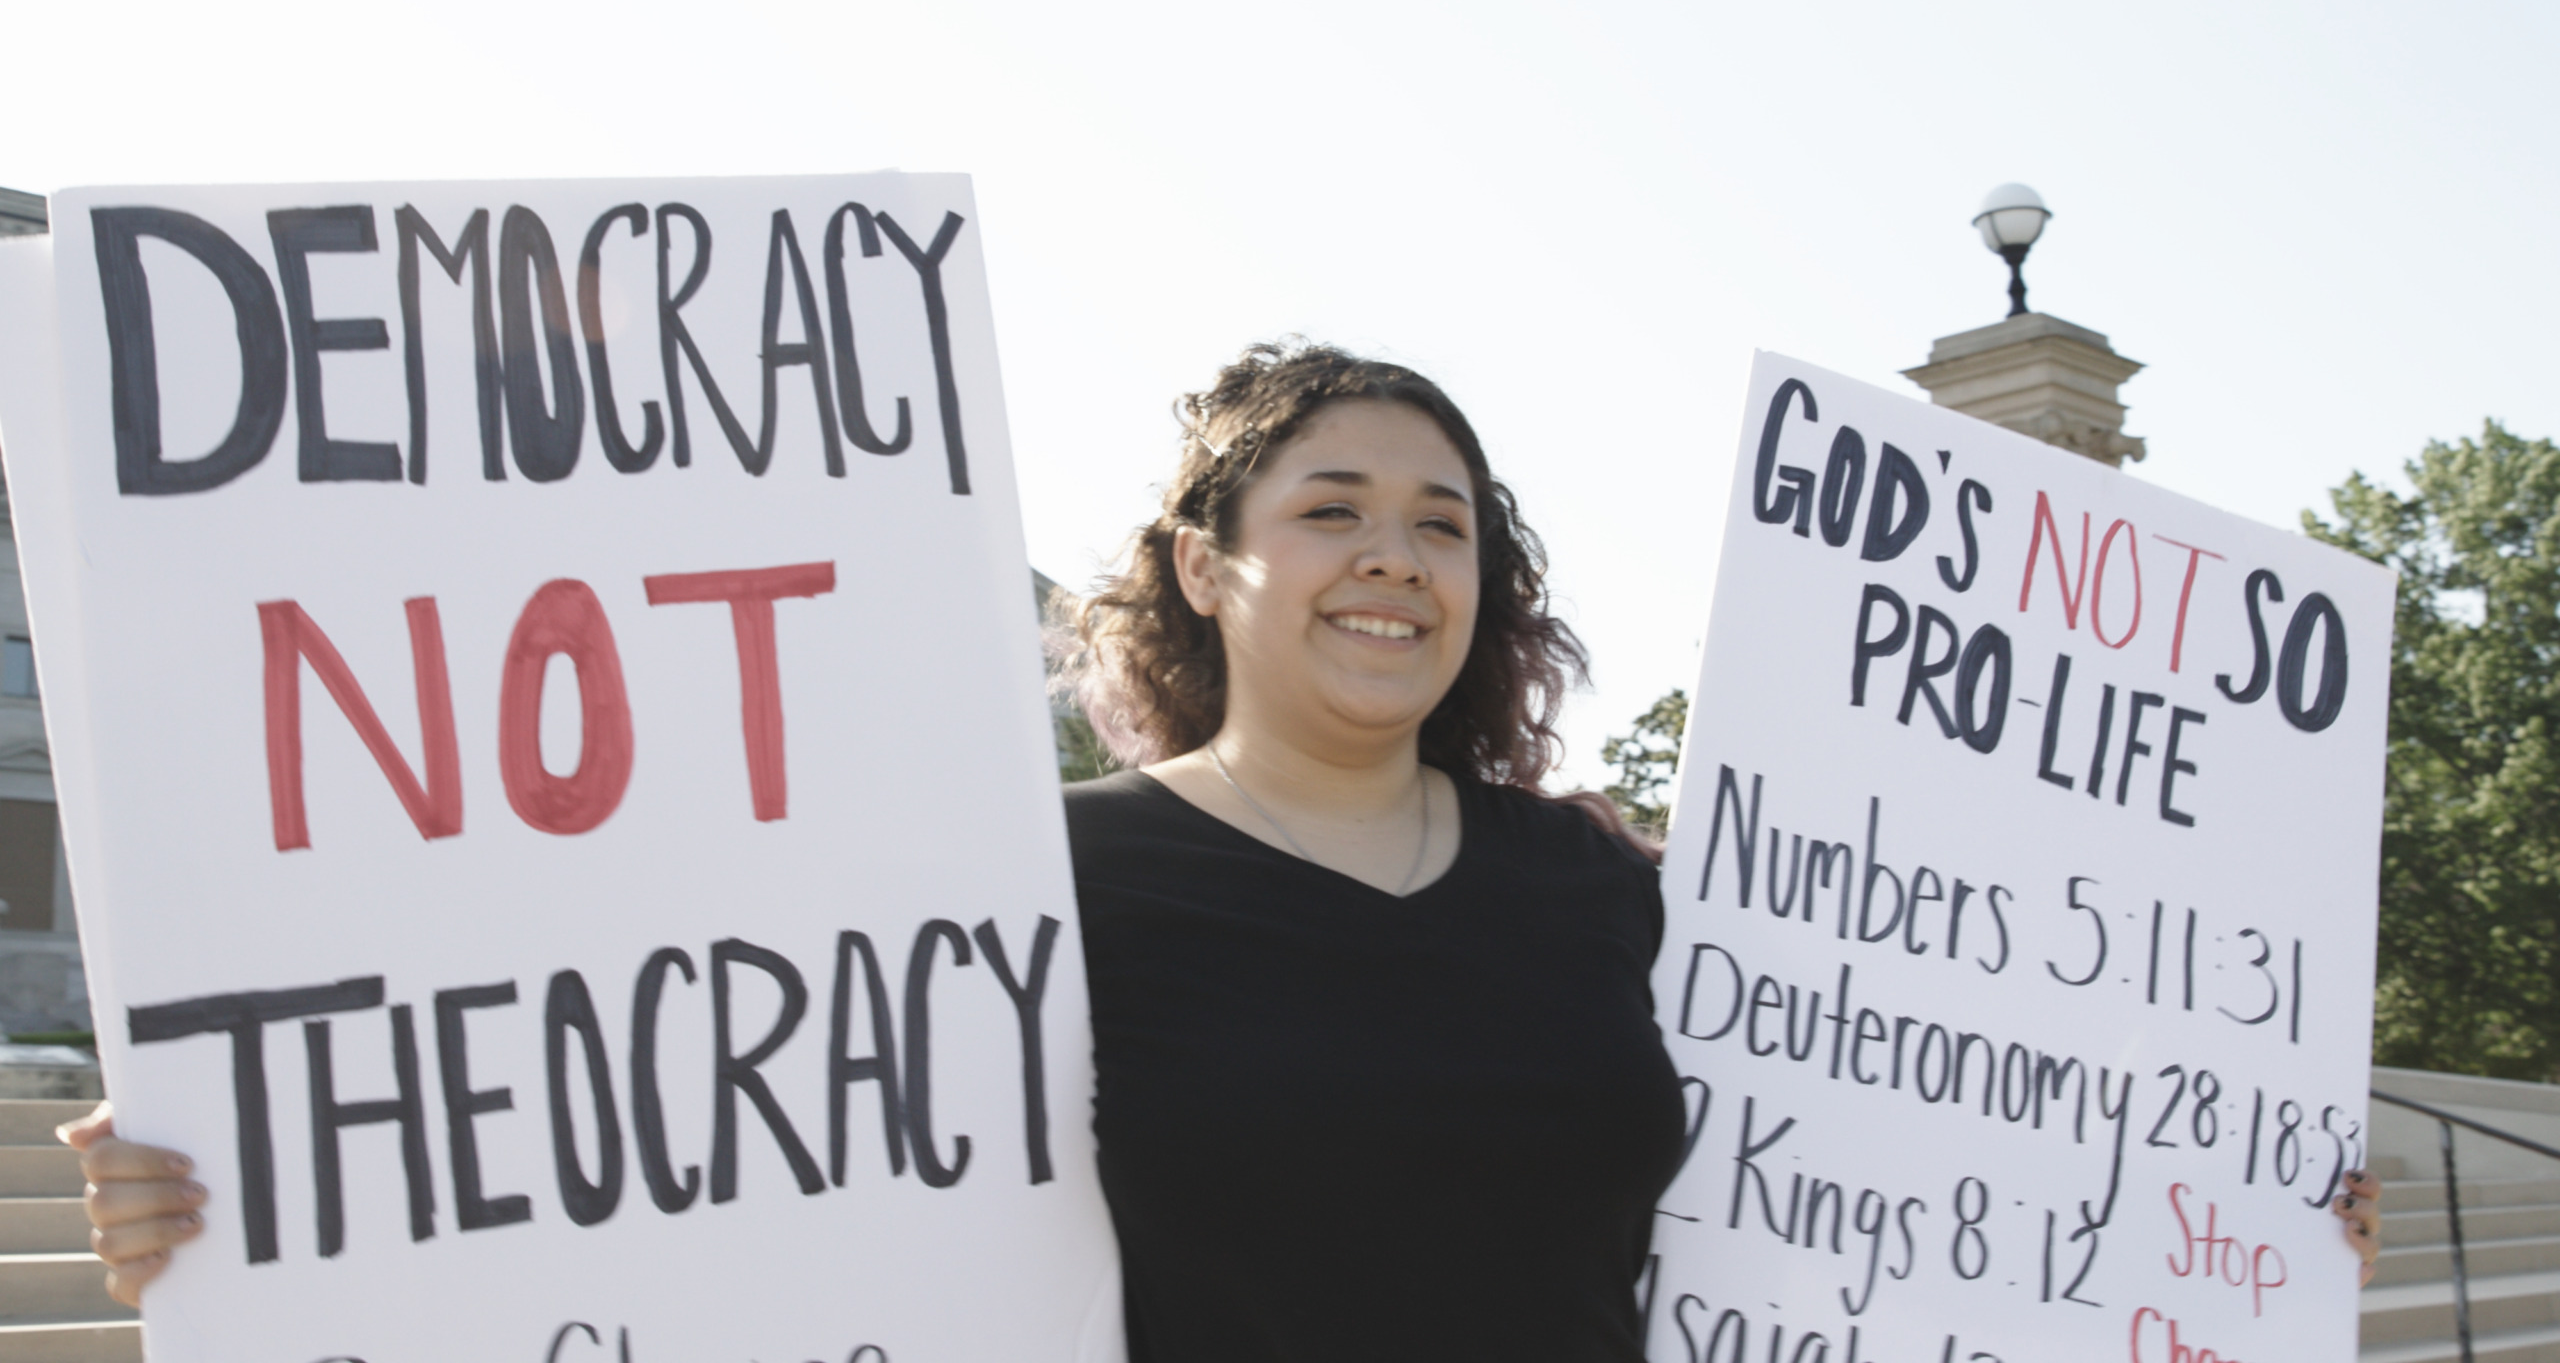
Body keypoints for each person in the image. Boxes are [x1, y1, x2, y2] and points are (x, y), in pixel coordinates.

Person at [61, 341, 2384, 1355]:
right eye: (1332, 508)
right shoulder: (1025, 879)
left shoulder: (1602, 882)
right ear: (1202, 564)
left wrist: (2203, 1185)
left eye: (1443, 521)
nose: (1395, 557)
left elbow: (1870, 1164)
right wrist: (257, 1197)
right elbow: (677, 1142)